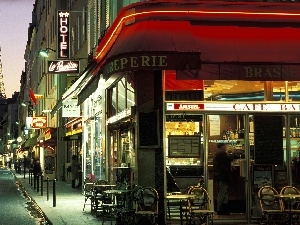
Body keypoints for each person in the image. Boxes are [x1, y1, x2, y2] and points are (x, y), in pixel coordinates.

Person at [213, 143, 233, 215]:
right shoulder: (221, 154)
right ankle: (220, 209)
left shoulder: (218, 153)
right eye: (225, 146)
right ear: (222, 147)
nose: (226, 147)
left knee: (224, 192)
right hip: (222, 176)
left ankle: (223, 209)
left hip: (219, 175)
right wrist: (232, 152)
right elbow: (229, 159)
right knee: (223, 192)